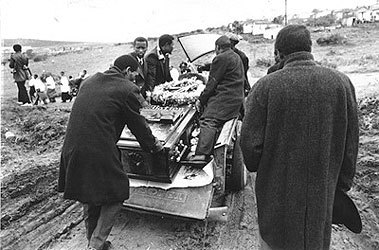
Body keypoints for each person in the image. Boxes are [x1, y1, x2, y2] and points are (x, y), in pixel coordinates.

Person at [240, 25, 359, 250]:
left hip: (277, 195)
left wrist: (259, 165)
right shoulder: (342, 84)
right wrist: (341, 185)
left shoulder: (265, 87)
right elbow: (351, 143)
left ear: (278, 53)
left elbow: (249, 146)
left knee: (275, 241)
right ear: (309, 48)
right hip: (321, 193)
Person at [58, 55, 163, 250]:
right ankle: (96, 245)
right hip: (97, 150)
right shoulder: (127, 88)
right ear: (128, 71)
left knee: (90, 196)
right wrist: (154, 146)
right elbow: (138, 125)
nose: (135, 79)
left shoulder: (89, 81)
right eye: (134, 75)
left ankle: (94, 242)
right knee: (117, 194)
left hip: (72, 148)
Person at [190, 35, 244, 165]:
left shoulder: (220, 58)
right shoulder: (236, 56)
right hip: (236, 97)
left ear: (217, 48)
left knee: (208, 119)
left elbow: (211, 83)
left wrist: (201, 100)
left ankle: (202, 154)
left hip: (226, 98)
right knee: (211, 113)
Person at [144, 34, 174, 99]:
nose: (173, 47)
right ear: (166, 45)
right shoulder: (152, 56)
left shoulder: (165, 53)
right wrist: (149, 94)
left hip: (164, 89)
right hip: (156, 92)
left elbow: (167, 74)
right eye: (172, 45)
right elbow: (151, 77)